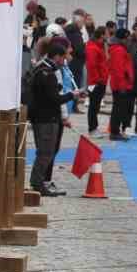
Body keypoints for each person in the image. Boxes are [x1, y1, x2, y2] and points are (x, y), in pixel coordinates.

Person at [26, 37, 72, 198]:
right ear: (57, 56)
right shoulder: (46, 72)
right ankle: (37, 183)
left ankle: (39, 182)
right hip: (46, 118)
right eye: (63, 58)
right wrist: (71, 95)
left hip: (43, 117)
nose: (64, 61)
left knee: (46, 151)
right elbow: (54, 98)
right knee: (45, 152)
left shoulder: (42, 69)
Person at [108, 27, 135, 140]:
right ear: (122, 39)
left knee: (119, 108)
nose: (129, 41)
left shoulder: (121, 49)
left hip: (122, 84)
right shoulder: (118, 50)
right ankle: (114, 132)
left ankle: (116, 131)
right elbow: (118, 70)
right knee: (118, 109)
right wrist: (122, 87)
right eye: (127, 39)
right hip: (120, 85)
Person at [85, 25, 110, 135]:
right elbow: (91, 65)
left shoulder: (100, 46)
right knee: (93, 106)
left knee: (96, 105)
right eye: (107, 33)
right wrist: (98, 80)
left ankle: (94, 127)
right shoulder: (92, 47)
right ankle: (92, 128)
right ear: (102, 35)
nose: (108, 35)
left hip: (101, 81)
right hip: (95, 82)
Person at [66, 13, 89, 93]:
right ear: (78, 23)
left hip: (71, 60)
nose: (83, 25)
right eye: (82, 23)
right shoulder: (76, 34)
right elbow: (79, 49)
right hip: (76, 61)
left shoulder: (68, 31)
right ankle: (74, 99)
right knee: (75, 82)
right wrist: (85, 50)